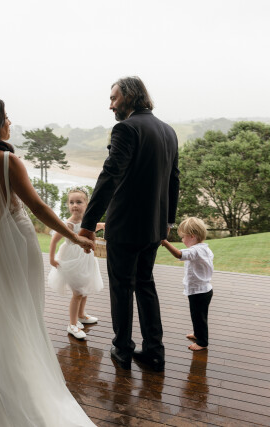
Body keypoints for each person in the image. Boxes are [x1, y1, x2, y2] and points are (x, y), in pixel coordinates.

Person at [0, 98, 96, 426]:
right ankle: (34, 385)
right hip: (18, 243)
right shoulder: (8, 161)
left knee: (2, 313)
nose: (9, 122)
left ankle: (10, 387)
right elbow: (39, 208)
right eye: (5, 117)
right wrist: (75, 238)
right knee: (27, 312)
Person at [79, 76, 180, 371]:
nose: (110, 105)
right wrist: (168, 220)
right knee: (145, 284)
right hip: (155, 227)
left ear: (131, 96)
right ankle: (155, 351)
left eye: (114, 98)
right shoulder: (168, 131)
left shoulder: (126, 128)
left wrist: (88, 222)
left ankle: (122, 349)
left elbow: (110, 175)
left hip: (125, 226)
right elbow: (174, 179)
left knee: (122, 287)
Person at [48, 187, 105, 340]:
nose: (74, 205)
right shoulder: (69, 224)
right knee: (78, 293)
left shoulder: (87, 220)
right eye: (71, 202)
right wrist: (52, 258)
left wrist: (102, 225)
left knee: (84, 289)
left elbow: (92, 227)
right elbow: (54, 240)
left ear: (86, 204)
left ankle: (81, 315)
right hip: (72, 260)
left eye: (79, 202)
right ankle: (72, 324)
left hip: (86, 259)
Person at [160, 217, 214, 351]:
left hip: (199, 291)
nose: (182, 240)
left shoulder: (195, 250)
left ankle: (202, 342)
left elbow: (179, 254)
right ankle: (197, 334)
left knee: (199, 317)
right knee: (197, 315)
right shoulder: (204, 249)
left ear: (192, 236)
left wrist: (165, 243)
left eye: (183, 237)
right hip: (203, 290)